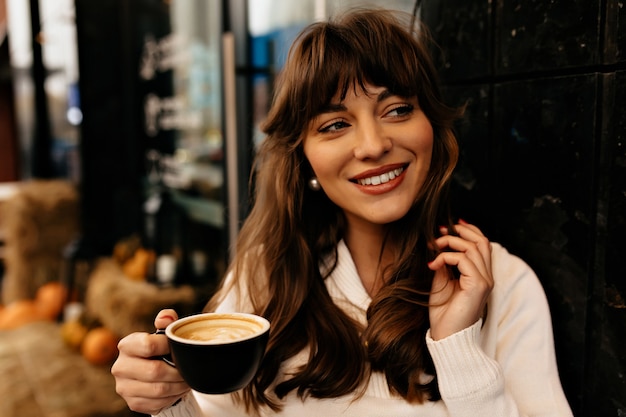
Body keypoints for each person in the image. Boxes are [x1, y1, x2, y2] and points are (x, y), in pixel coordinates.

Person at [111, 8, 573, 417]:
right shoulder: (265, 275)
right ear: (305, 157)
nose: (373, 145)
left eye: (396, 109)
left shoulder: (503, 284)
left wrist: (458, 348)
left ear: (431, 125)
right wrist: (169, 399)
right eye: (335, 125)